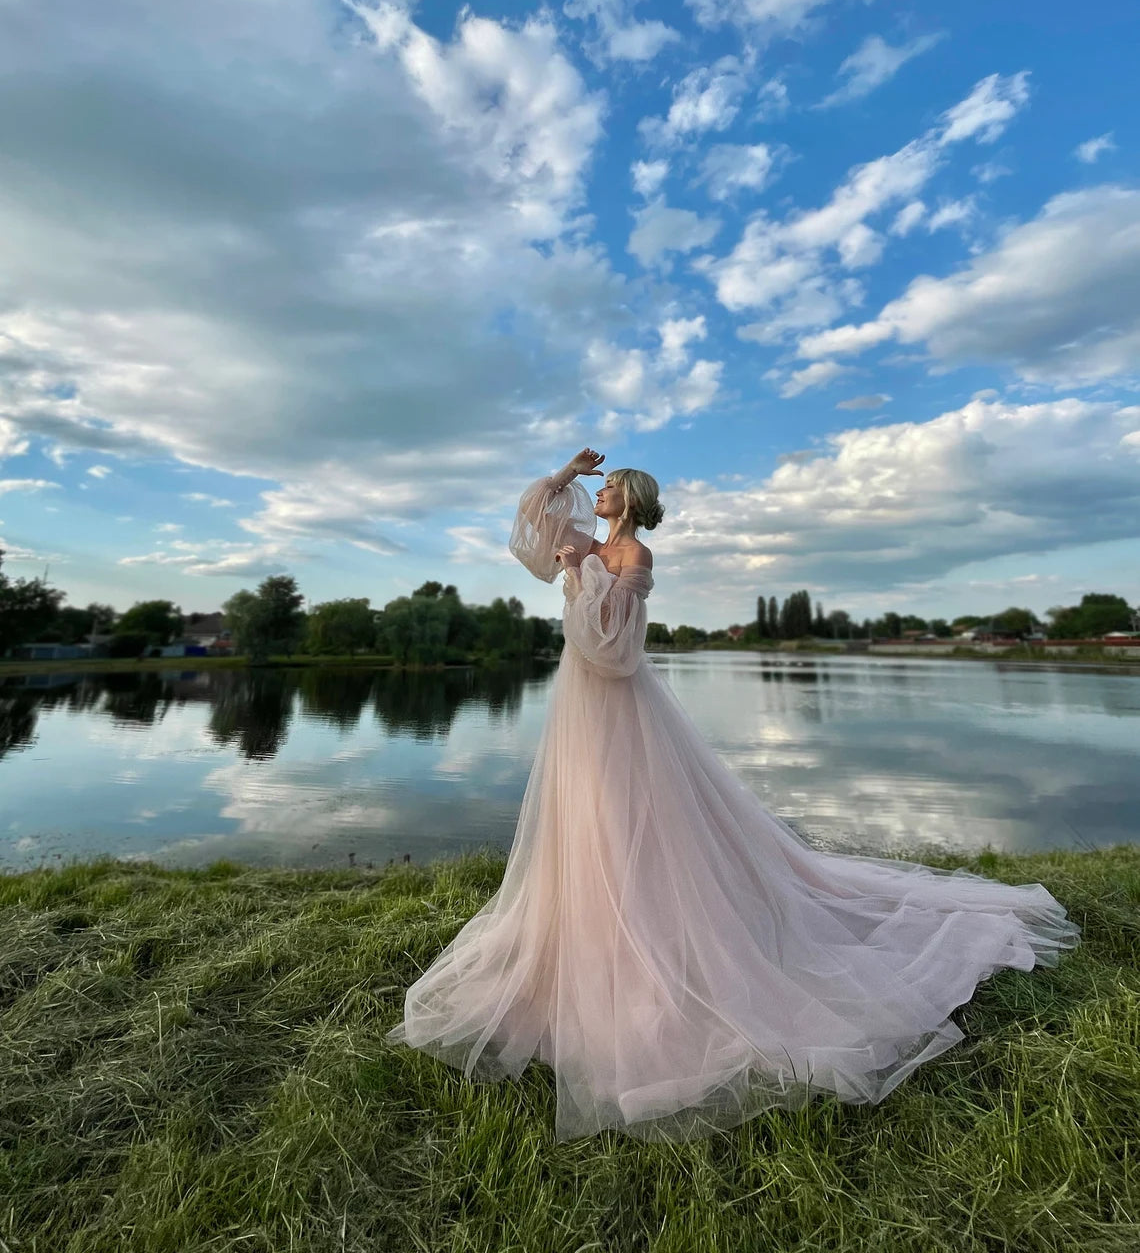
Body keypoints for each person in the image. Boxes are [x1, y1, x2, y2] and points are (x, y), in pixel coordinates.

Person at [385, 448, 1081, 1143]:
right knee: (588, 810)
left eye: (604, 489)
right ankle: (589, 924)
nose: (593, 497)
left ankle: (653, 931)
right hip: (580, 703)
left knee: (633, 810)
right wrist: (566, 475)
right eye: (591, 491)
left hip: (616, 699)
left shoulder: (635, 559)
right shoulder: (587, 544)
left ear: (628, 499)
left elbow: (614, 648)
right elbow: (532, 526)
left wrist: (581, 577)